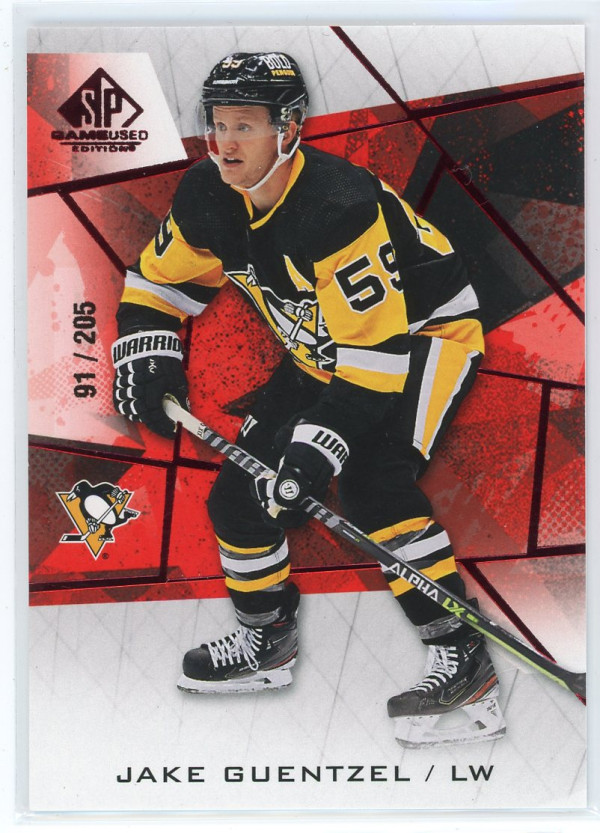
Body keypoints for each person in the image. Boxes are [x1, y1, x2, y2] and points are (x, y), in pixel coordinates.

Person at [111, 51, 506, 748]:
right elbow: (157, 281)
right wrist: (149, 350)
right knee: (239, 498)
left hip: (419, 338)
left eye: (244, 126)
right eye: (217, 124)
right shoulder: (207, 194)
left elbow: (375, 360)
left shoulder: (338, 206)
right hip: (323, 349)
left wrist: (317, 450)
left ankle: (463, 658)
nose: (225, 143)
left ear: (289, 128)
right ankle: (267, 640)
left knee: (372, 484)